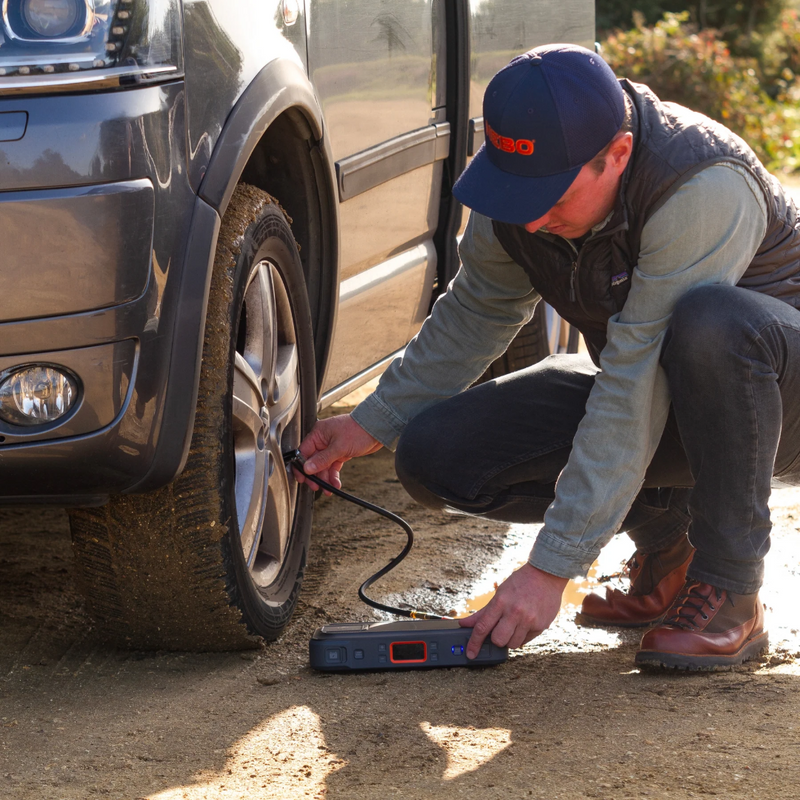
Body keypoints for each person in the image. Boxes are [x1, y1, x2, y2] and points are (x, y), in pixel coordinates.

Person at [296, 44, 800, 670]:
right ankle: (673, 551)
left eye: (554, 197)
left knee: (709, 323)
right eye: (519, 192)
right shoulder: (520, 195)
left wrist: (549, 569)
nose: (531, 222)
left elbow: (636, 381)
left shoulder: (701, 185)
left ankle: (731, 589)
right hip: (665, 387)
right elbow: (476, 311)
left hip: (779, 399)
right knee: (436, 454)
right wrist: (370, 423)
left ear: (616, 155)